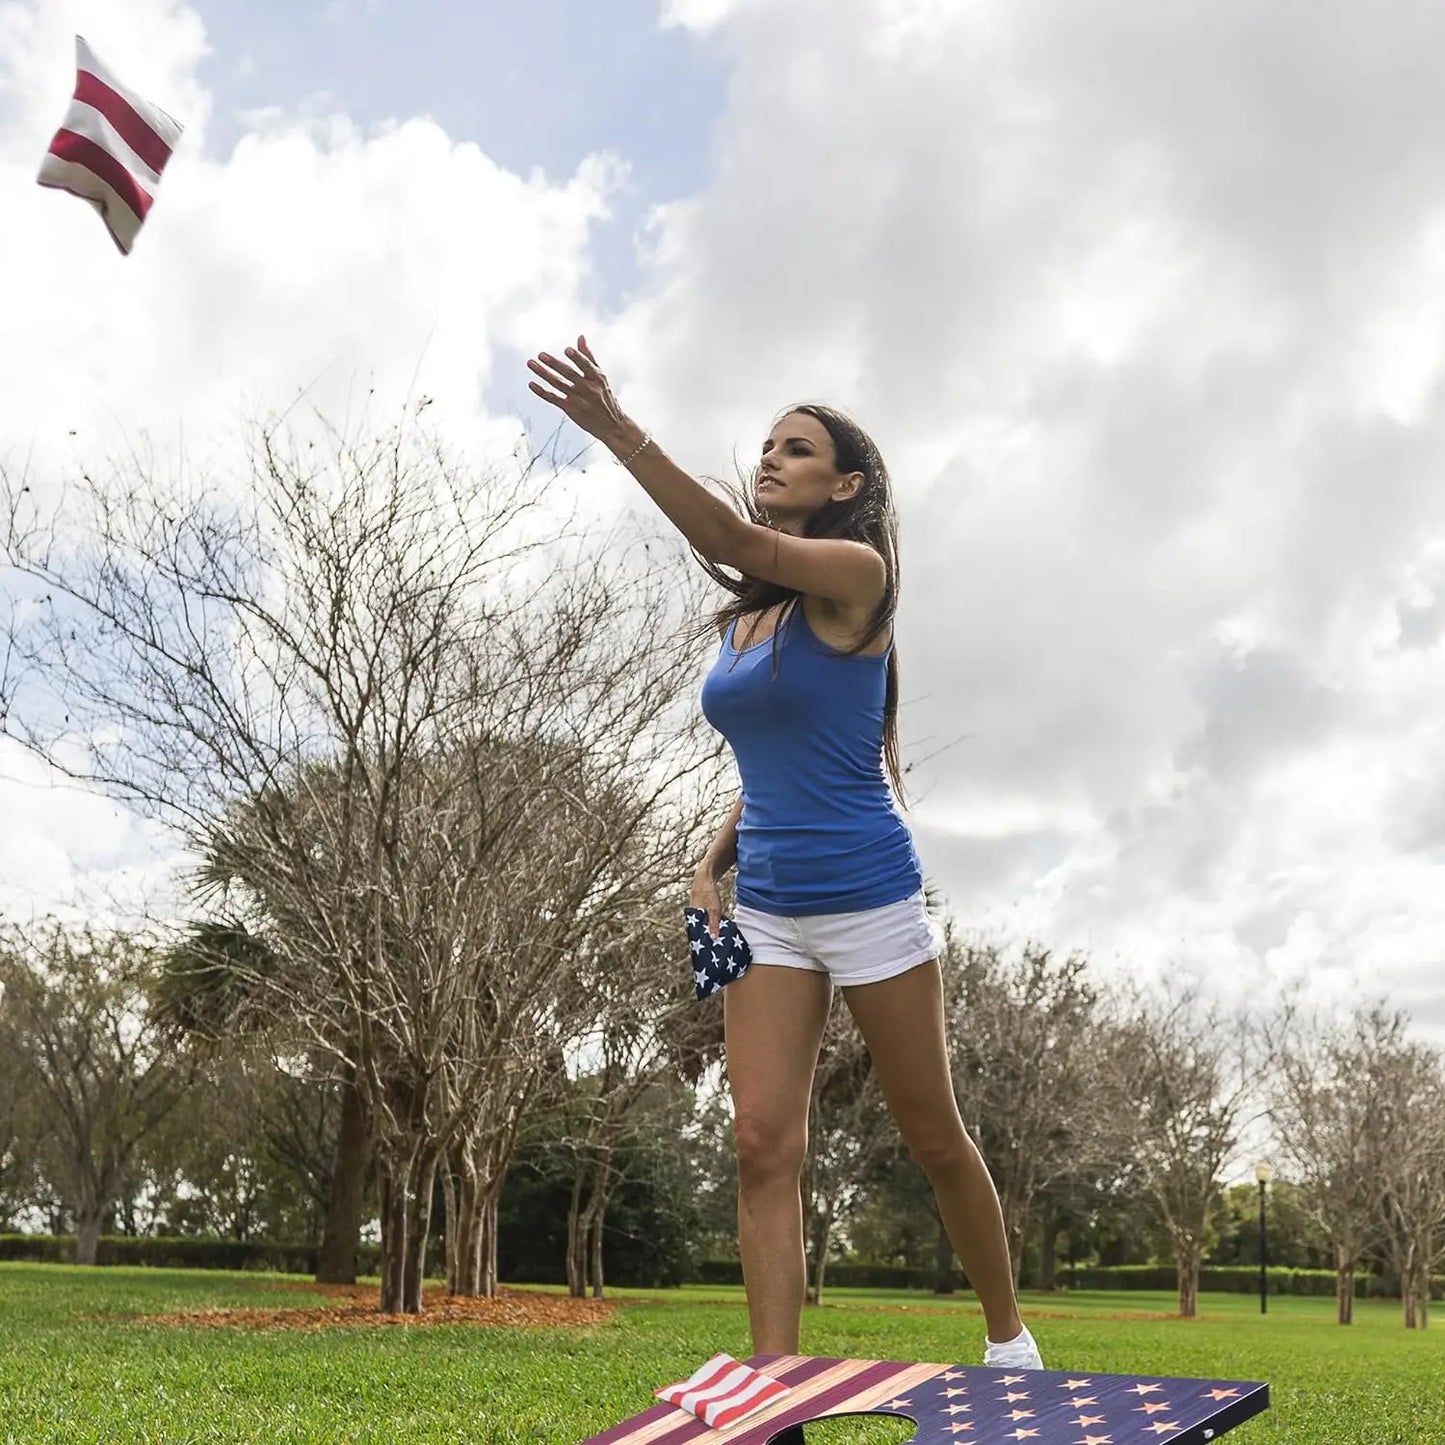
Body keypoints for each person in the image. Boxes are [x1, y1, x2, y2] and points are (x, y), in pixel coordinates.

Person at [527, 339, 1045, 1415]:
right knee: (762, 1141)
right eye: (764, 444)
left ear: (844, 485)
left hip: (869, 898)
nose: (770, 456)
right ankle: (774, 1381)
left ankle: (1009, 1341)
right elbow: (767, 766)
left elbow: (720, 532)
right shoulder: (746, 618)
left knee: (931, 1134)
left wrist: (618, 428)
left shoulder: (859, 581)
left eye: (794, 447)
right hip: (766, 906)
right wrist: (707, 861)